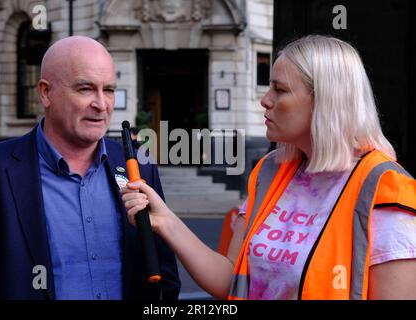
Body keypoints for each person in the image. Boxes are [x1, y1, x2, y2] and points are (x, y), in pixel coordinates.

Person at [122, 35, 416, 300]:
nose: (265, 100)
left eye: (280, 90)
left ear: (324, 100)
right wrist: (165, 221)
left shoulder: (385, 189)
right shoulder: (269, 172)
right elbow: (228, 280)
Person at [0, 36, 180, 300]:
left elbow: (164, 278)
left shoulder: (139, 168)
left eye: (109, 90)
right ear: (46, 93)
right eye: (85, 89)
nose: (101, 104)